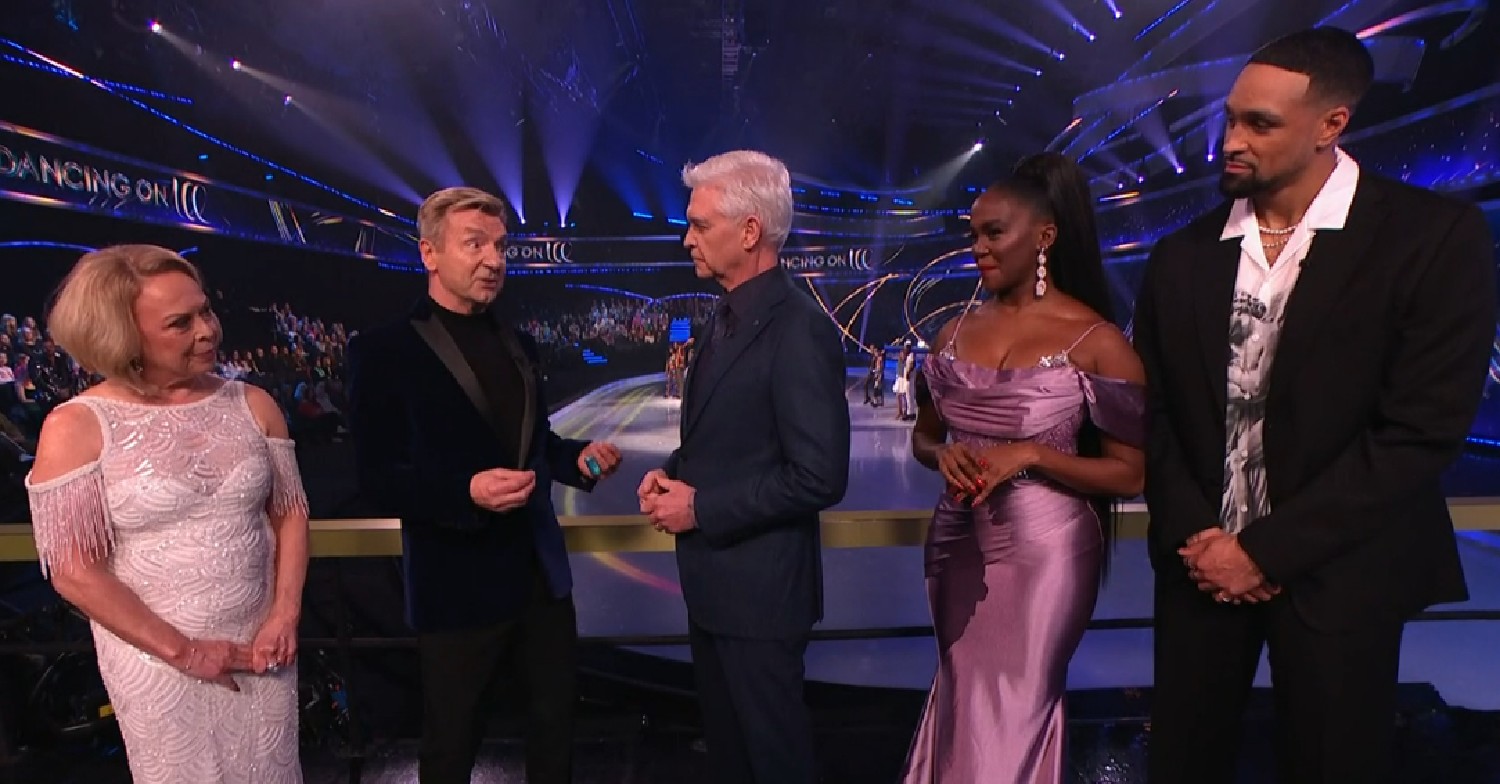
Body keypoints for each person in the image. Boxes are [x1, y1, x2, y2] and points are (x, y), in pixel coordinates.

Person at [1134, 27, 1496, 784]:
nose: (1231, 140)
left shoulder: (1430, 238)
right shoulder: (1184, 254)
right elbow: (1158, 414)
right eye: (1230, 118)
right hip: (1200, 569)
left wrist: (1262, 552)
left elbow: (1419, 433)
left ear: (1333, 125)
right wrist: (1205, 539)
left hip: (1343, 572)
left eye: (1259, 124)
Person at [347, 186, 623, 784]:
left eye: (500, 245)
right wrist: (464, 491)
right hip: (457, 585)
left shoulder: (517, 343)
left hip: (540, 580)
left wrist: (583, 461)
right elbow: (376, 478)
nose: (494, 259)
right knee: (452, 742)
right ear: (429, 253)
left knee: (555, 732)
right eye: (475, 244)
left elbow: (537, 445)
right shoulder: (383, 352)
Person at [900, 152, 1146, 782]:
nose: (979, 247)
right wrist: (942, 452)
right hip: (957, 542)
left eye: (994, 233)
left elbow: (1133, 475)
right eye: (973, 234)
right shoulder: (952, 331)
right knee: (961, 695)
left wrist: (1034, 454)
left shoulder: (1096, 341)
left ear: (1044, 235)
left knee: (1016, 706)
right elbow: (924, 440)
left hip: (1047, 553)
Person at [25, 245, 308, 783]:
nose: (207, 331)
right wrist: (186, 652)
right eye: (180, 323)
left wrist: (285, 612)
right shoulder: (76, 427)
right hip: (157, 660)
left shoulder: (253, 403)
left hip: (264, 646)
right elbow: (73, 571)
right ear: (121, 336)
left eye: (205, 311)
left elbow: (290, 514)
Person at [637, 150, 850, 784]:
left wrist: (698, 508)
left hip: (761, 602)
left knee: (772, 764)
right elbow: (731, 436)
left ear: (750, 231)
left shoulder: (798, 330)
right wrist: (675, 469)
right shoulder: (722, 318)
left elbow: (818, 475)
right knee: (732, 762)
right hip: (714, 595)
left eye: (700, 225)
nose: (687, 238)